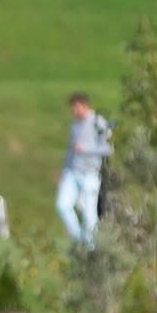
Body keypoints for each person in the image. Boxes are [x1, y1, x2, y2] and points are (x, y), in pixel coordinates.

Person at [55, 92, 112, 251]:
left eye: (76, 107)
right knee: (62, 205)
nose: (74, 111)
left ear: (85, 105)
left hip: (90, 173)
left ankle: (90, 247)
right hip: (72, 172)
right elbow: (71, 150)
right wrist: (63, 169)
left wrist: (85, 149)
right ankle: (78, 239)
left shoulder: (98, 122)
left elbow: (108, 148)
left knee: (89, 212)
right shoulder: (74, 124)